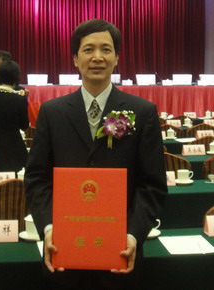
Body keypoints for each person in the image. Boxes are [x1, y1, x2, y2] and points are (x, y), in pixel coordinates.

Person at [25, 19, 167, 289]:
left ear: (117, 58)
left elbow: (152, 184)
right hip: (63, 253)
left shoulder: (142, 112)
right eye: (88, 50)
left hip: (120, 255)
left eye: (106, 49)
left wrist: (133, 234)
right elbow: (36, 178)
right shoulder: (52, 112)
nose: (97, 57)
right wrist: (49, 228)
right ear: (75, 59)